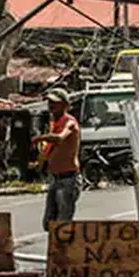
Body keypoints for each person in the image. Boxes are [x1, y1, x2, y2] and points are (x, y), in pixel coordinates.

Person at [31, 88, 81, 231]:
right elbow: (51, 151)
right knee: (48, 223)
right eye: (49, 102)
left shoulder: (69, 122)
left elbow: (59, 139)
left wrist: (40, 138)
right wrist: (40, 164)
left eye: (55, 103)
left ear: (65, 105)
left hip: (68, 180)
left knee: (62, 224)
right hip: (55, 178)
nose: (51, 105)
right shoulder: (55, 124)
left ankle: (63, 251)